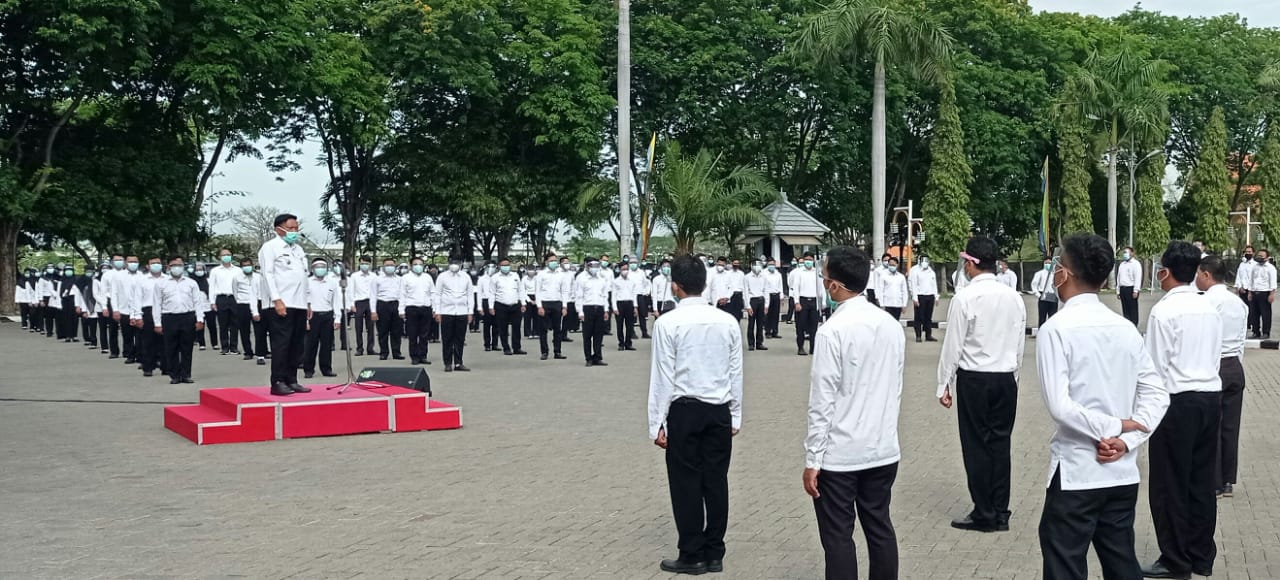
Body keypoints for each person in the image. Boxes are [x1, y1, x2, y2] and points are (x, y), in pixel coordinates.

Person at [1034, 233, 1169, 580]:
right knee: (1121, 561)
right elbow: (1158, 395)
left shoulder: (1056, 329)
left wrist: (1114, 432)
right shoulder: (1124, 328)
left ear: (1064, 273)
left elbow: (1060, 407)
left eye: (1056, 265)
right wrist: (1125, 440)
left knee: (1064, 563)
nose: (1054, 273)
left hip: (1078, 470)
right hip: (1121, 470)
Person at [802, 246, 904, 580]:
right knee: (879, 528)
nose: (823, 284)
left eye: (824, 278)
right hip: (882, 448)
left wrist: (812, 459)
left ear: (835, 286)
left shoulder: (832, 331)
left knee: (838, 537)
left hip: (841, 455)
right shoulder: (890, 325)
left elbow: (822, 401)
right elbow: (895, 387)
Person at [648, 255, 743, 576]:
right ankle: (715, 551)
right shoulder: (727, 321)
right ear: (705, 284)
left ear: (675, 286)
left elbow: (662, 377)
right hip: (719, 410)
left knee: (686, 483)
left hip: (684, 410)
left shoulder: (667, 323)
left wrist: (656, 422)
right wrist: (736, 414)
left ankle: (692, 553)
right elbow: (736, 372)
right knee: (716, 481)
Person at [1141, 241, 1223, 580]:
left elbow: (1154, 370)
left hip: (1176, 403)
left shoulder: (1164, 311)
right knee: (1201, 482)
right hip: (1209, 397)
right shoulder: (1210, 308)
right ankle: (1201, 555)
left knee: (1169, 485)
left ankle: (1175, 559)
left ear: (1166, 271)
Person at [937, 236, 1027, 532]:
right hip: (1005, 377)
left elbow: (953, 344)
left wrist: (944, 383)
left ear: (972, 264)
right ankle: (1001, 510)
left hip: (975, 378)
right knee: (1000, 445)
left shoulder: (965, 297)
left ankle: (984, 512)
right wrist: (1015, 375)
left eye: (966, 261)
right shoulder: (1013, 296)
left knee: (976, 445)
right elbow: (1019, 343)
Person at [1195, 256, 1249, 500]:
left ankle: (1214, 481)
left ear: (1206, 274)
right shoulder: (1238, 302)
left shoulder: (1205, 303)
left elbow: (1202, 340)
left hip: (1213, 367)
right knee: (1230, 426)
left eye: (1198, 274)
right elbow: (1241, 342)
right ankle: (1228, 480)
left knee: (1211, 427)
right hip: (1234, 366)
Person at [258, 213, 312, 396]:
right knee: (282, 343)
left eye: (297, 228)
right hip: (280, 303)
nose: (295, 231)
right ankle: (278, 381)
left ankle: (292, 379)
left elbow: (304, 278)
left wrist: (308, 302)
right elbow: (268, 274)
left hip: (299, 303)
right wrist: (277, 299)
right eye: (291, 228)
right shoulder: (270, 247)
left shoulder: (298, 249)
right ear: (278, 229)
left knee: (297, 344)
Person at [151, 257, 207, 384]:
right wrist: (157, 323)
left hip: (187, 316)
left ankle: (186, 374)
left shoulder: (191, 283)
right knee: (171, 348)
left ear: (184, 267)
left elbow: (197, 302)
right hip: (169, 317)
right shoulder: (161, 284)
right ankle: (174, 375)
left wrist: (200, 319)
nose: (177, 267)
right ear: (168, 267)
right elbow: (156, 304)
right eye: (173, 265)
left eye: (179, 265)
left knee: (187, 347)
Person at [302, 259, 341, 379]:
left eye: (323, 266)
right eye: (317, 266)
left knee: (327, 345)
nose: (320, 269)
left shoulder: (332, 282)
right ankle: (308, 369)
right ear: (312, 269)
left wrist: (337, 318)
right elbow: (303, 302)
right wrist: (305, 320)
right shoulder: (306, 282)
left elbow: (337, 301)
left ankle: (326, 368)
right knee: (310, 345)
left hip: (327, 315)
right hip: (312, 316)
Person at [435, 259, 475, 372]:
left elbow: (470, 295)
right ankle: (447, 363)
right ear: (448, 264)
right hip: (447, 311)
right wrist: (437, 311)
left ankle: (458, 363)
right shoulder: (442, 276)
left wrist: (470, 312)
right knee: (447, 339)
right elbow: (437, 294)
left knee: (460, 339)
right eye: (452, 263)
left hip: (462, 311)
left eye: (457, 263)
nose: (454, 266)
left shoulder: (466, 277)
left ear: (461, 264)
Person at [131, 258, 169, 377]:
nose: (156, 265)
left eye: (158, 263)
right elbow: (137, 299)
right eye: (153, 263)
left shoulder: (167, 279)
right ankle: (148, 367)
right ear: (148, 266)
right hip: (147, 310)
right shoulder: (142, 280)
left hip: (164, 311)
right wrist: (137, 316)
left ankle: (166, 367)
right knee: (148, 341)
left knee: (165, 341)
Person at [534, 253, 570, 361]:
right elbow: (538, 291)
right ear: (546, 262)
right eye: (551, 260)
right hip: (545, 303)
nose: (554, 262)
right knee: (543, 329)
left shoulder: (561, 274)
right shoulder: (541, 274)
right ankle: (544, 352)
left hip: (557, 303)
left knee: (557, 329)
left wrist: (564, 306)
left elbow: (564, 291)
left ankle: (557, 351)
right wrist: (539, 306)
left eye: (555, 260)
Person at [401, 257, 435, 366]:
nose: (418, 266)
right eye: (415, 264)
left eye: (420, 264)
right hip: (412, 308)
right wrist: (401, 310)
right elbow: (402, 294)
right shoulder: (406, 278)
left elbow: (432, 293)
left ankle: (423, 355)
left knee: (424, 334)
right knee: (413, 334)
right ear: (410, 266)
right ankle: (414, 356)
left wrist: (435, 308)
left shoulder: (427, 277)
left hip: (426, 308)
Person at [487, 259, 525, 356]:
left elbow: (520, 290)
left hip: (515, 305)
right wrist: (491, 307)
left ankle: (517, 347)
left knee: (516, 327)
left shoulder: (515, 276)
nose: (506, 267)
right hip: (501, 305)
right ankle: (506, 347)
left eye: (507, 265)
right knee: (503, 328)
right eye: (503, 265)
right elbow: (492, 293)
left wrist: (523, 303)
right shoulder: (495, 278)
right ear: (499, 266)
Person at [577, 258, 610, 367]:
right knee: (587, 335)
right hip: (587, 308)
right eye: (592, 266)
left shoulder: (601, 279)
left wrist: (606, 310)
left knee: (598, 335)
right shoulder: (581, 278)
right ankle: (588, 358)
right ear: (587, 266)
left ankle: (598, 357)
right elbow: (579, 296)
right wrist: (580, 312)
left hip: (599, 308)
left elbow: (605, 295)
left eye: (597, 266)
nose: (595, 269)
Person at [371, 258, 406, 361]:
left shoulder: (400, 279)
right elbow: (373, 296)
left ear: (395, 267)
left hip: (396, 304)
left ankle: (396, 352)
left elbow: (402, 294)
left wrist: (402, 309)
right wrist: (373, 311)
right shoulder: (377, 279)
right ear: (383, 266)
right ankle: (383, 352)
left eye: (392, 265)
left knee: (397, 331)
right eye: (387, 265)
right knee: (383, 330)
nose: (390, 267)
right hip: (382, 304)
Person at [791, 254, 824, 356]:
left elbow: (821, 287)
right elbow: (795, 288)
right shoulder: (799, 272)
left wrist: (822, 302)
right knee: (801, 326)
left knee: (814, 327)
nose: (808, 261)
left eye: (810, 260)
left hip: (814, 301)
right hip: (803, 300)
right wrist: (797, 302)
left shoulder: (817, 272)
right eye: (806, 260)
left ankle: (813, 348)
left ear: (813, 260)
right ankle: (800, 347)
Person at [209, 249, 240, 354]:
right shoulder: (215, 271)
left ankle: (234, 347)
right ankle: (224, 347)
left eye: (228, 255)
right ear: (219, 257)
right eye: (224, 255)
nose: (226, 256)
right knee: (223, 324)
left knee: (235, 324)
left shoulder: (238, 270)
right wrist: (212, 302)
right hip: (221, 298)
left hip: (234, 298)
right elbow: (212, 287)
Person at [114, 256, 144, 362]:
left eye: (135, 261)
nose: (133, 263)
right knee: (127, 335)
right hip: (124, 309)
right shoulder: (119, 276)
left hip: (138, 310)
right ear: (126, 263)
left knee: (140, 335)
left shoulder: (142, 276)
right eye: (130, 262)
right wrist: (115, 309)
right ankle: (129, 354)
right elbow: (114, 294)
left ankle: (140, 355)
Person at [231, 259, 261, 362]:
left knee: (259, 329)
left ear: (252, 265)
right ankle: (248, 352)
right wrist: (239, 301)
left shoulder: (258, 277)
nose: (247, 267)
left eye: (248, 265)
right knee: (244, 330)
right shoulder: (237, 278)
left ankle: (261, 351)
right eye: (244, 265)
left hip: (256, 304)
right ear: (241, 267)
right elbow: (235, 291)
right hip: (242, 304)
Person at [349, 256, 377, 356]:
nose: (364, 265)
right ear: (359, 264)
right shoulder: (354, 276)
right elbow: (350, 290)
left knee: (371, 327)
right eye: (362, 263)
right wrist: (352, 304)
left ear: (370, 264)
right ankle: (359, 348)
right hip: (359, 302)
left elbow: (376, 290)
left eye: (366, 263)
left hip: (371, 301)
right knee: (358, 327)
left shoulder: (374, 276)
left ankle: (370, 348)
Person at [908, 255, 938, 343]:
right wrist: (915, 298)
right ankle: (918, 335)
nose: (925, 262)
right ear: (920, 261)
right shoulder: (915, 271)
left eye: (926, 260)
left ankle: (928, 335)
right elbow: (913, 285)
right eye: (923, 260)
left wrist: (936, 296)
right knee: (918, 317)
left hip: (930, 296)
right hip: (920, 296)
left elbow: (934, 285)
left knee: (928, 317)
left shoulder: (931, 272)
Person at [1246, 249, 1275, 339]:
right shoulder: (1255, 267)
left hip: (1265, 293)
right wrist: (1250, 292)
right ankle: (1256, 332)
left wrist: (1271, 294)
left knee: (1265, 314)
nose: (1259, 258)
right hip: (1254, 292)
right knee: (1254, 314)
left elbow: (1272, 282)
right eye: (1258, 256)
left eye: (1262, 256)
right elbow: (1251, 280)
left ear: (1267, 258)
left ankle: (1266, 333)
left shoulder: (1270, 268)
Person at [612, 263, 639, 351]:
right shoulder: (616, 281)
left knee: (630, 325)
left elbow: (634, 294)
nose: (625, 271)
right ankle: (621, 343)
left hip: (629, 304)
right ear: (619, 270)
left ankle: (628, 343)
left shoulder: (631, 281)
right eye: (623, 269)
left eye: (626, 269)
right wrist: (615, 308)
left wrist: (635, 307)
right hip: (620, 304)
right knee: (619, 325)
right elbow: (613, 295)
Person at [190, 262, 215, 351]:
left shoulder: (208, 280)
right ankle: (202, 343)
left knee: (212, 326)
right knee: (200, 325)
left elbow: (212, 292)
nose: (199, 271)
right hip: (197, 307)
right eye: (197, 270)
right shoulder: (192, 282)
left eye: (201, 269)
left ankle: (214, 343)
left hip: (208, 306)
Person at [745, 262, 769, 351]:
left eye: (758, 264)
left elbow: (766, 290)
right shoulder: (747, 277)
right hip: (752, 301)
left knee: (760, 323)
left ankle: (759, 343)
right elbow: (746, 292)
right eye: (755, 264)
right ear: (751, 266)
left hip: (761, 300)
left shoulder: (764, 277)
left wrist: (766, 304)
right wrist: (747, 306)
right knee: (751, 323)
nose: (757, 267)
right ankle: (751, 343)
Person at [1117, 247, 1143, 326]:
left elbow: (1137, 277)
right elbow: (1119, 277)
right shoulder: (1122, 264)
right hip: (1123, 289)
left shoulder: (1135, 264)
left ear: (1132, 253)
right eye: (1124, 252)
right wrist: (1118, 290)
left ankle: (1134, 324)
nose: (1125, 254)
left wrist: (1136, 290)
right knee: (1125, 309)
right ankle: (1127, 324)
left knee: (1132, 309)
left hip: (1131, 289)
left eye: (1126, 252)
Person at [1031, 257, 1059, 328]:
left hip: (1053, 296)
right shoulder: (1039, 273)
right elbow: (1034, 285)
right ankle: (1041, 332)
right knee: (1042, 317)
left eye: (1049, 263)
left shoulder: (1055, 274)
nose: (1048, 264)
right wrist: (1038, 295)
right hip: (1043, 295)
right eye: (1046, 263)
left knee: (1053, 317)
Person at [1236, 246, 1256, 325]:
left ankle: (1251, 324)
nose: (1248, 253)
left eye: (1249, 252)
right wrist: (1239, 287)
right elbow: (1239, 276)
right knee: (1243, 308)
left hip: (1251, 290)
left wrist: (1250, 290)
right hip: (1242, 289)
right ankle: (1244, 323)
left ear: (1253, 253)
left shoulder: (1255, 265)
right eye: (1246, 252)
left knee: (1252, 308)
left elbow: (1254, 278)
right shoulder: (1242, 264)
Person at [764, 260, 784, 339]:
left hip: (776, 295)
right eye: (770, 264)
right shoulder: (764, 273)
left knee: (776, 314)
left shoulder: (778, 274)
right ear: (767, 264)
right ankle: (768, 332)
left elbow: (780, 286)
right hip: (768, 295)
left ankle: (775, 332)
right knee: (768, 315)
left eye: (773, 264)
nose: (771, 266)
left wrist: (781, 296)